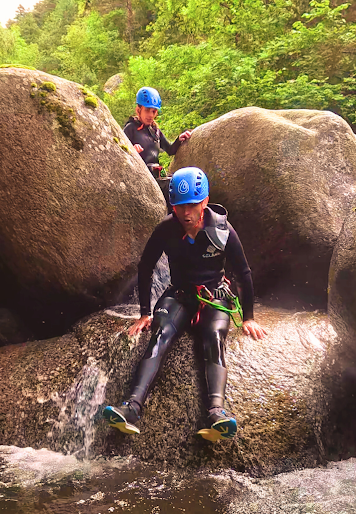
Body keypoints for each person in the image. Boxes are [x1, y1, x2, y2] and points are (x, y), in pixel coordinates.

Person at [103, 167, 268, 442]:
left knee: (214, 337)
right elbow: (146, 266)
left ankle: (216, 413)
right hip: (178, 295)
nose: (186, 213)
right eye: (180, 207)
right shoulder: (166, 229)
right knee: (160, 334)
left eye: (192, 205)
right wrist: (145, 312)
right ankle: (131, 408)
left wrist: (249, 317)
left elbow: (244, 272)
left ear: (204, 201)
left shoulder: (223, 230)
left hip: (213, 296)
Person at [123, 87, 192, 177]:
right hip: (139, 176)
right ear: (138, 110)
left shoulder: (155, 131)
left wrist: (179, 140)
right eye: (147, 110)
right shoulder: (130, 128)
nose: (151, 115)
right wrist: (131, 150)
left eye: (154, 111)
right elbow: (120, 155)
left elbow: (170, 150)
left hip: (156, 174)